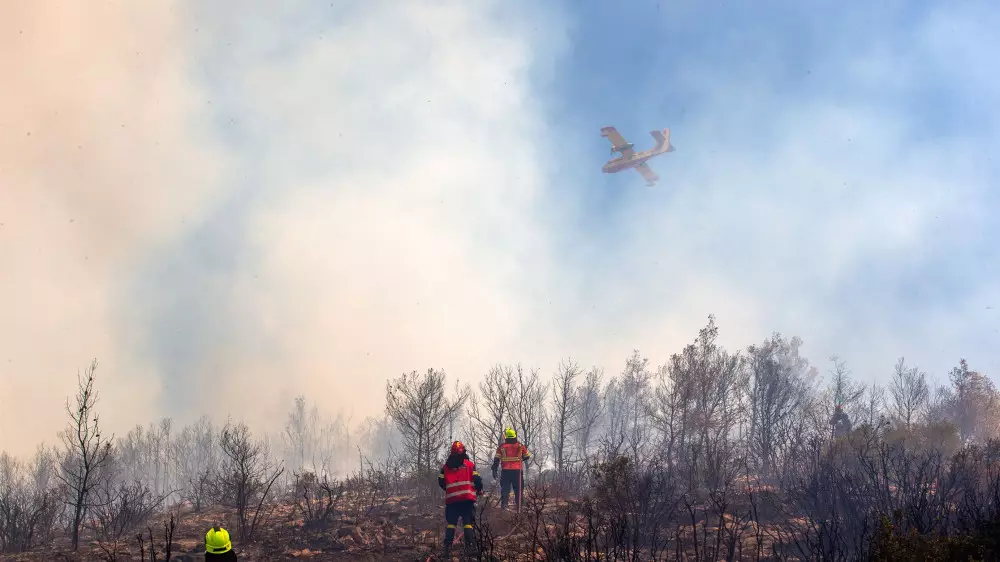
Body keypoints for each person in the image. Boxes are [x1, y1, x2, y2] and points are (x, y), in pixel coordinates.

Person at [438, 440, 482, 557]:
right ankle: (470, 548)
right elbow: (477, 480)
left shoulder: (446, 467)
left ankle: (447, 550)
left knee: (451, 523)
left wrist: (450, 490)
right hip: (467, 499)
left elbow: (441, 481)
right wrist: (478, 490)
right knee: (467, 523)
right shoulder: (470, 465)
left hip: (452, 500)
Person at [491, 427, 531, 512]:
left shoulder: (502, 447)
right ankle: (519, 508)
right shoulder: (520, 446)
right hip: (517, 472)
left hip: (506, 472)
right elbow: (527, 456)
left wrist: (494, 469)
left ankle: (504, 508)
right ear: (514, 436)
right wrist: (520, 459)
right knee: (519, 490)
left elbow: (496, 459)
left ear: (506, 437)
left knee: (505, 489)